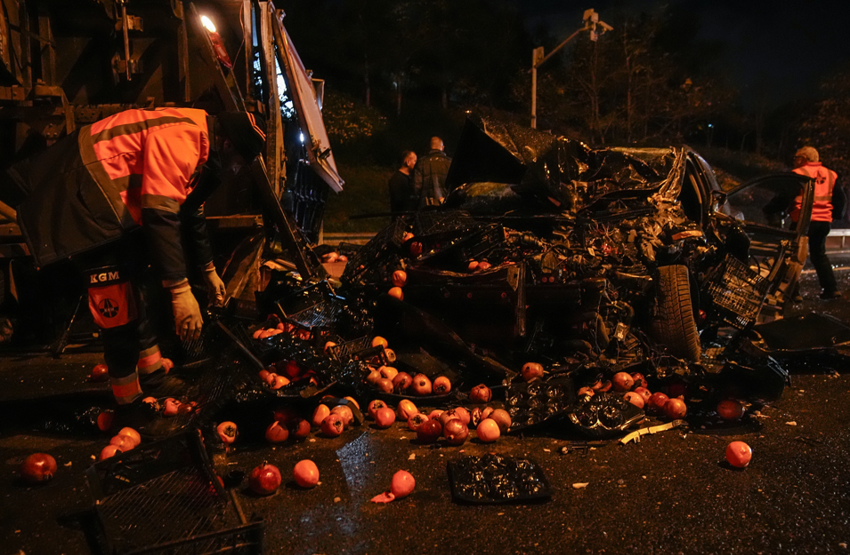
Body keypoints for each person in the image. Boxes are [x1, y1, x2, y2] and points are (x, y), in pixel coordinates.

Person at [3, 107, 266, 429]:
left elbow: (189, 210)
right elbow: (160, 213)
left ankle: (152, 377)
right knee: (116, 302)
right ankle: (127, 403)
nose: (236, 170)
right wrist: (181, 291)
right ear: (227, 145)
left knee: (139, 286)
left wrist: (208, 269)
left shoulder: (200, 136)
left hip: (110, 205)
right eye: (238, 161)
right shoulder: (183, 137)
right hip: (84, 197)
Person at [791, 146, 843, 299]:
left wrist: (772, 210)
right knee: (819, 255)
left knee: (792, 256)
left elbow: (785, 196)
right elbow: (841, 198)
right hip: (823, 222)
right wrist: (833, 215)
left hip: (802, 221)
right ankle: (831, 289)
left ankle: (793, 292)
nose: (794, 161)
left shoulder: (799, 174)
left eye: (796, 158)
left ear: (804, 159)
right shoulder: (831, 174)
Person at [413, 136, 452, 207]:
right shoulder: (450, 162)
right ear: (442, 147)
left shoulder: (421, 163)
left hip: (426, 206)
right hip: (446, 205)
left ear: (430, 147)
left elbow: (416, 187)